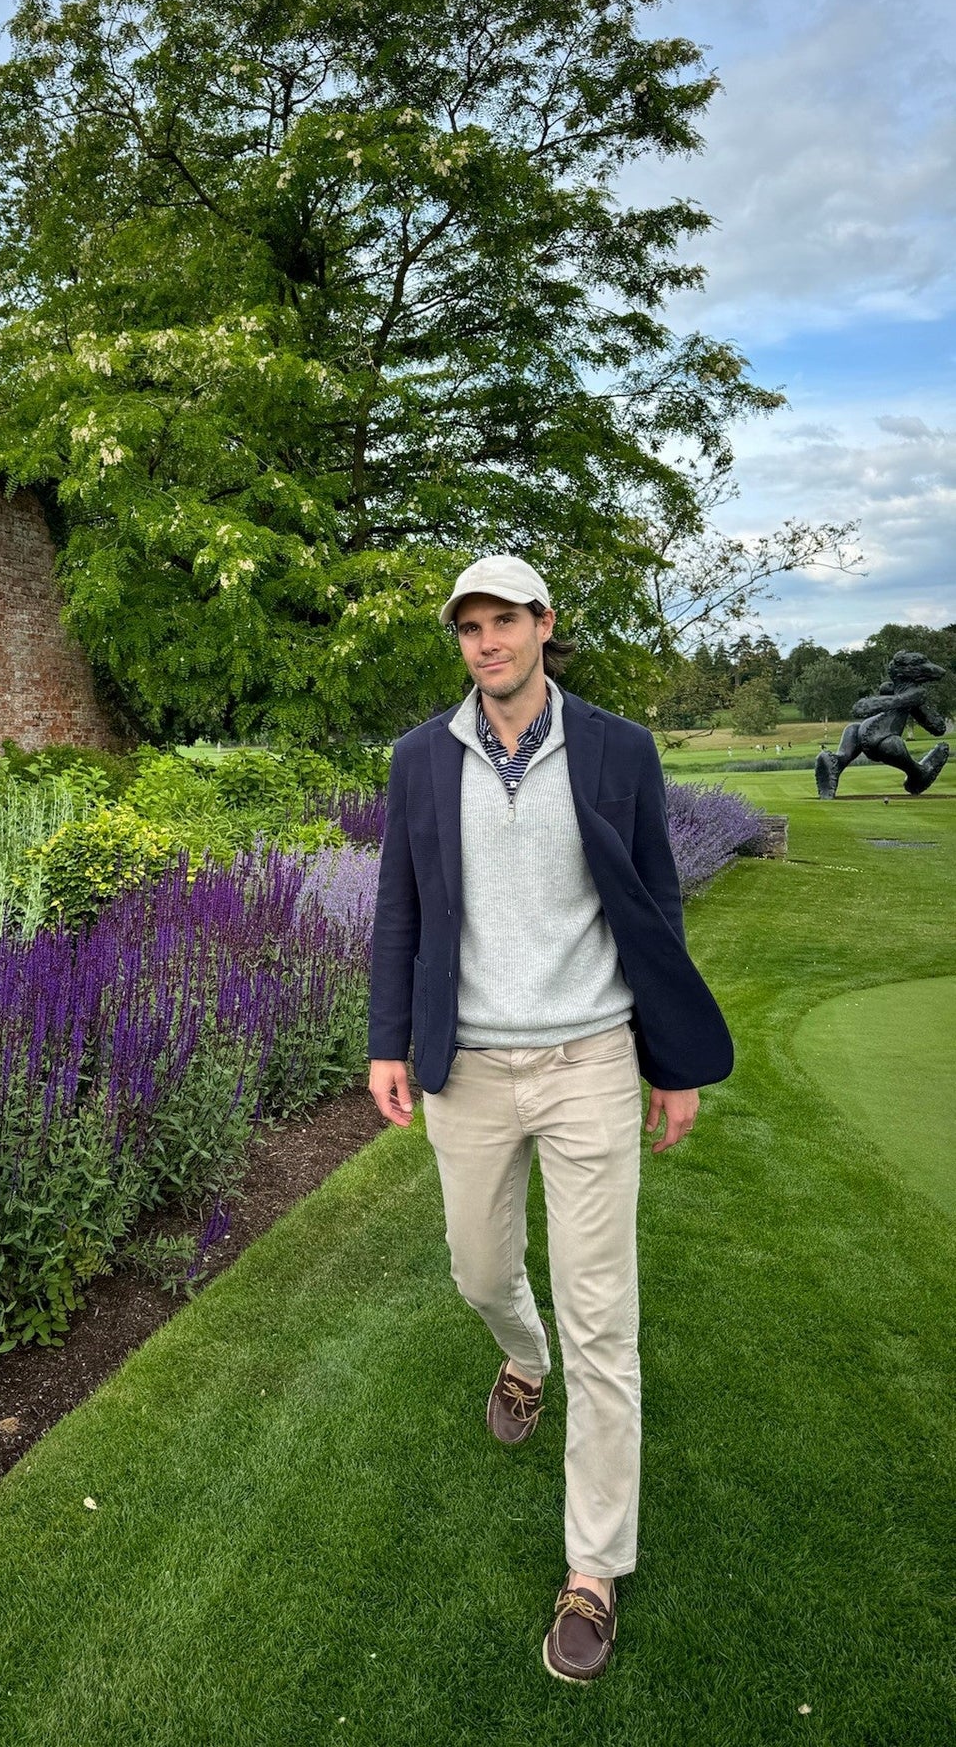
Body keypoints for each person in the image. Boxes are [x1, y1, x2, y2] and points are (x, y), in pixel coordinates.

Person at [366, 554, 733, 1683]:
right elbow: (398, 907)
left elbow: (654, 903)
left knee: (602, 1315)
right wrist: (387, 1040)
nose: (485, 642)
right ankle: (518, 1357)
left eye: (503, 621)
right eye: (467, 627)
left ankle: (591, 1569)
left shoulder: (616, 747)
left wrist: (668, 1060)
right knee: (480, 1271)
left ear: (542, 624)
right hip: (464, 1066)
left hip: (587, 1059)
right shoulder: (421, 758)